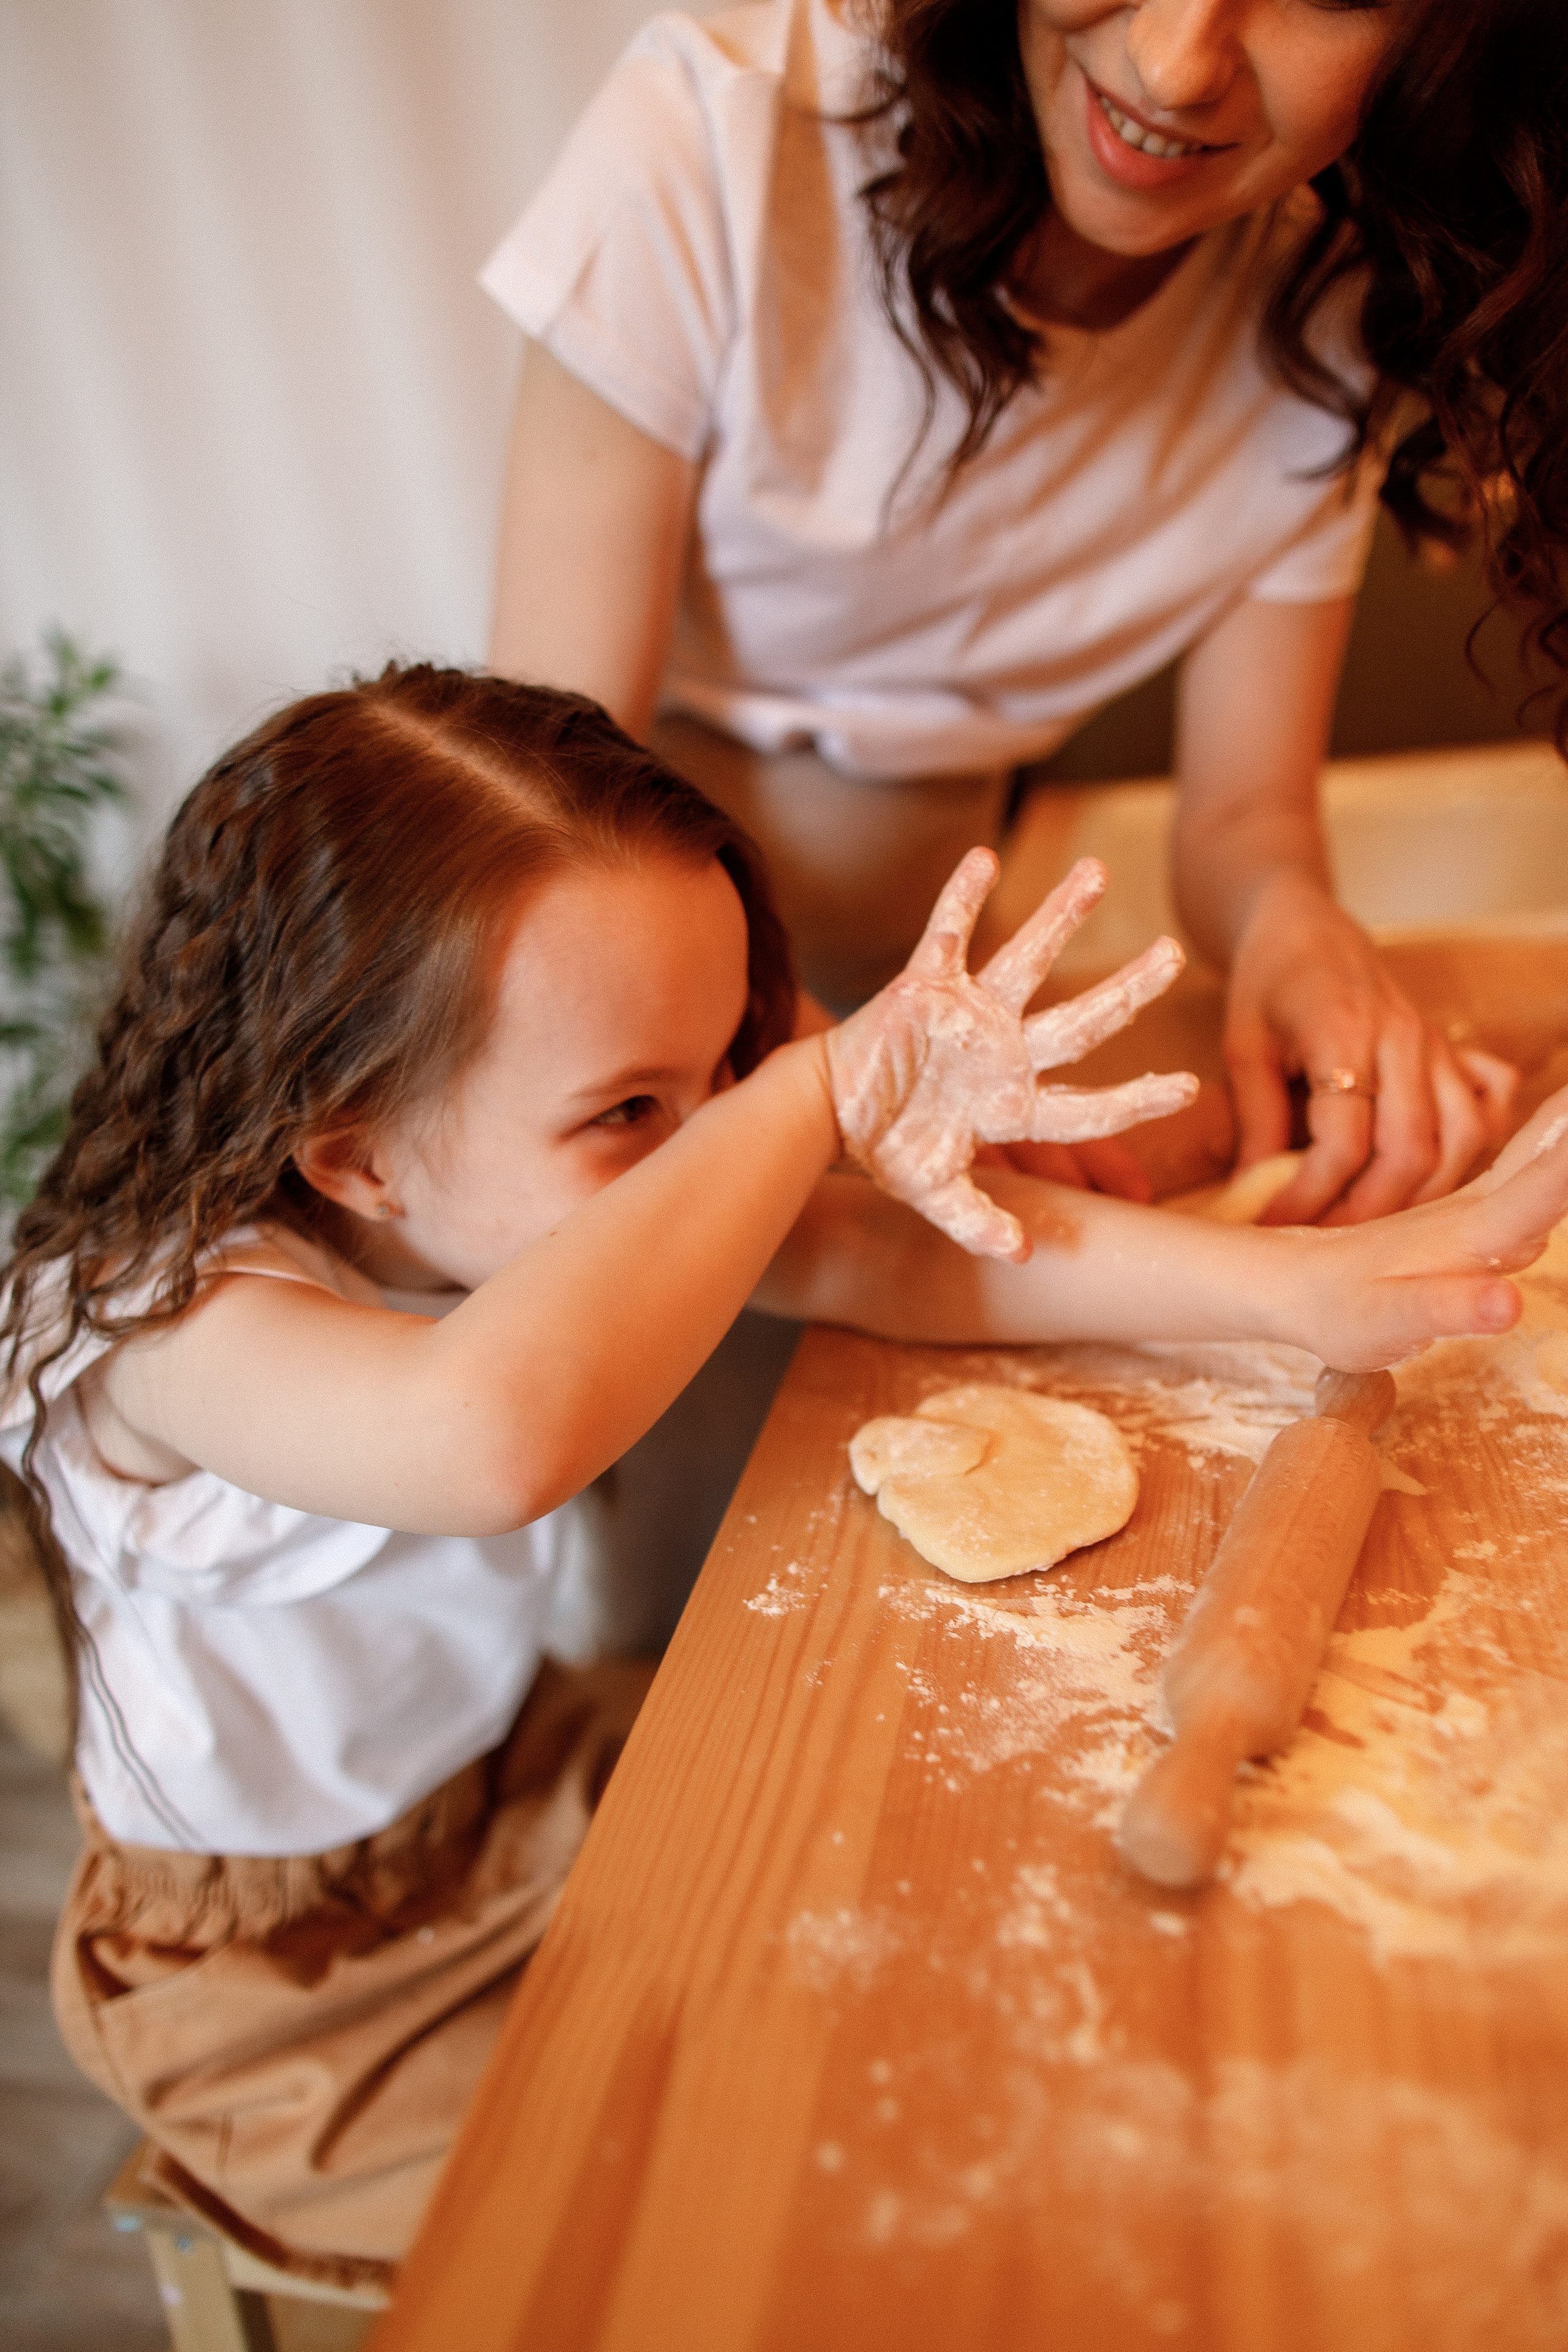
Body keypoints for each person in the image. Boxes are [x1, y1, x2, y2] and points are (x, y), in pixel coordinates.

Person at [7, 663, 1568, 2279]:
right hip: (293, 2001)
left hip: (518, 1786)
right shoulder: (150, 1324)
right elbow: (486, 1438)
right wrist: (805, 1092)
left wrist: (1316, 1288)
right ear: (354, 1154)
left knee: (955, 1936)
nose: (701, 1155)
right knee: (771, 2218)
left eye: (715, 1086)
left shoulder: (493, 1171)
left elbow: (890, 1257)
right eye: (630, 1109)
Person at [481, 0, 1567, 1229]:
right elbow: (546, 801)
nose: (1173, 62)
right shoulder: (714, 136)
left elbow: (1244, 819)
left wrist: (1297, 933)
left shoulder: (1333, 295)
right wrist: (828, 1084)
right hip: (624, 995)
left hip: (922, 962)